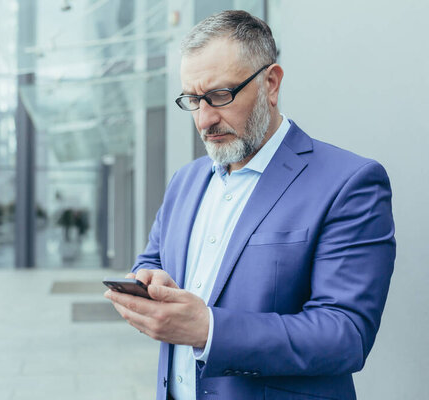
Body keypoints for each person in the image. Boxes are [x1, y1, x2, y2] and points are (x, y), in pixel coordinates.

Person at [103, 9, 396, 400]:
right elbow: (153, 259)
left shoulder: (350, 183)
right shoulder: (185, 181)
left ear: (271, 83)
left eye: (220, 96)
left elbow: (345, 335)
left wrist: (208, 329)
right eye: (193, 99)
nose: (204, 119)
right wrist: (148, 281)